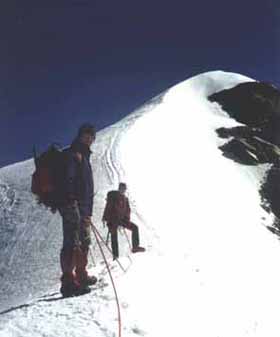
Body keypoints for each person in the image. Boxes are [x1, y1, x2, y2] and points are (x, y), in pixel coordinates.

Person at [58, 123, 97, 297]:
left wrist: (88, 212)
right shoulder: (74, 154)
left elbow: (88, 188)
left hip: (84, 208)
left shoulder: (86, 158)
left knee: (84, 242)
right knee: (71, 243)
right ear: (80, 136)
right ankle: (68, 283)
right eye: (86, 135)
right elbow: (68, 180)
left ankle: (81, 275)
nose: (89, 138)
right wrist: (71, 201)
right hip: (71, 205)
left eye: (91, 136)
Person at [102, 183, 145, 260]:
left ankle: (135, 247)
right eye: (122, 189)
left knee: (135, 227)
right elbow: (108, 207)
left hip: (122, 220)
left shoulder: (125, 199)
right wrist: (106, 218)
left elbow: (128, 210)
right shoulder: (113, 197)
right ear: (119, 188)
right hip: (113, 220)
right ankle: (115, 255)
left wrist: (127, 219)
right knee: (114, 235)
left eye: (124, 189)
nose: (123, 190)